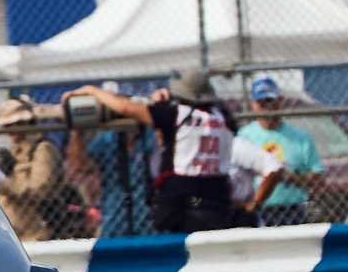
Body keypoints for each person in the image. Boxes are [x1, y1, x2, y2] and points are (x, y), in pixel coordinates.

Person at [65, 70, 234, 234]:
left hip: (178, 205)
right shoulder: (224, 118)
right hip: (216, 200)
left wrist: (91, 90)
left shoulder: (173, 116)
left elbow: (125, 109)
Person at [68, 82, 150, 239]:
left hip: (147, 219)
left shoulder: (149, 135)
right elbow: (80, 165)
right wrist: (76, 132)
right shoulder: (108, 138)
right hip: (115, 218)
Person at [235, 77, 319, 227]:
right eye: (261, 102)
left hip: (293, 210)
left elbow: (318, 178)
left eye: (270, 100)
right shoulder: (243, 137)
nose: (266, 107)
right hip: (256, 208)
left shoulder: (300, 138)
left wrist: (290, 177)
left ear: (280, 100)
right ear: (253, 105)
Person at [0, 98, 65, 240]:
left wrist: (7, 177)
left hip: (36, 233)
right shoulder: (13, 151)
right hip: (13, 232)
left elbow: (38, 190)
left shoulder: (43, 149)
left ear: (26, 123)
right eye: (8, 126)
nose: (10, 131)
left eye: (15, 125)